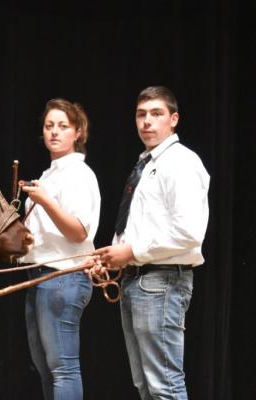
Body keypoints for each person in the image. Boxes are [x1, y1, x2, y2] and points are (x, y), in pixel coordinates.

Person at [93, 86, 210, 399]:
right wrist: (112, 256)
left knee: (164, 386)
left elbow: (189, 233)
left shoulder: (181, 162)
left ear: (173, 120)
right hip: (137, 279)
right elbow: (142, 223)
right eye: (141, 114)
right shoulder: (146, 163)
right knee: (145, 385)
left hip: (162, 281)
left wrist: (130, 251)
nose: (147, 122)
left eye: (156, 114)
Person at [20, 98, 101, 400]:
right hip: (41, 275)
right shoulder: (49, 174)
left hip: (64, 275)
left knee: (62, 368)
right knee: (45, 367)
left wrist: (46, 201)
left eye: (63, 126)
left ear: (78, 132)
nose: (54, 132)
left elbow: (79, 232)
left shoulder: (79, 174)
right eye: (49, 126)